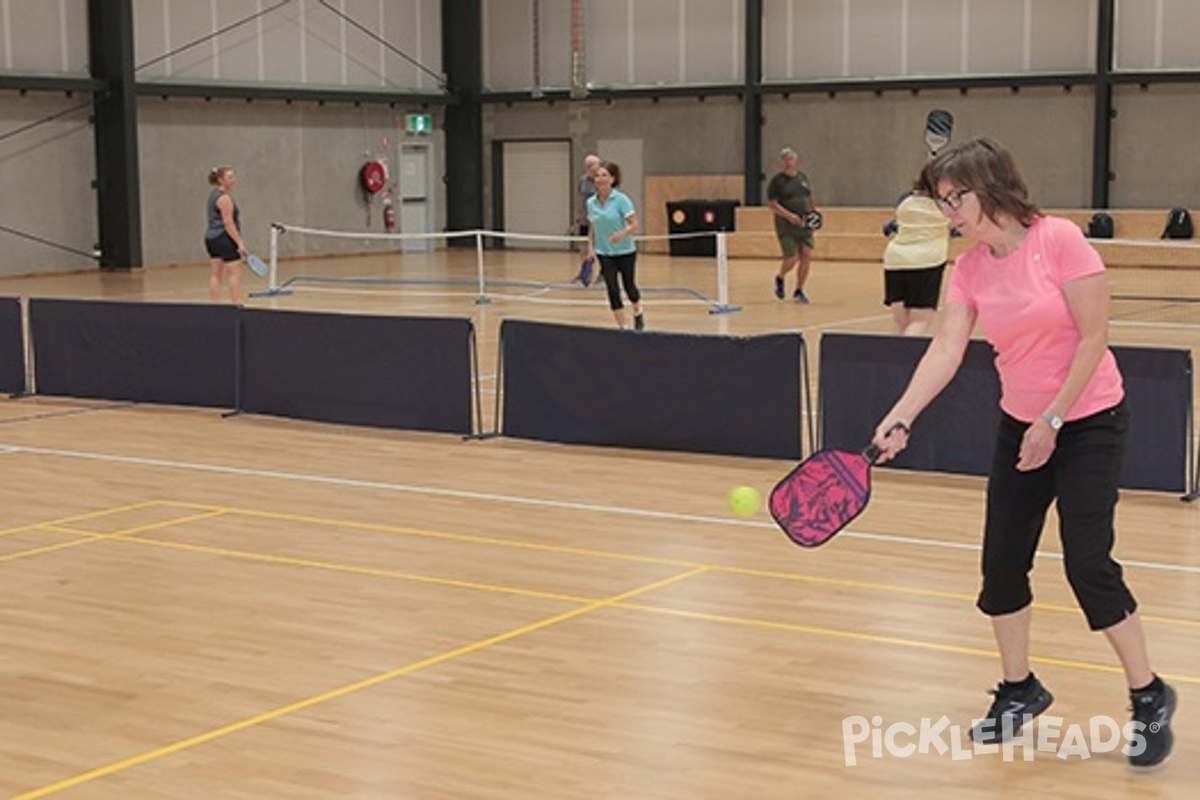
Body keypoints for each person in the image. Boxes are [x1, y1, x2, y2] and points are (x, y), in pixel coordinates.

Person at [871, 137, 1175, 768]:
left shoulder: (1059, 240)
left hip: (1088, 419)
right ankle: (1019, 689)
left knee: (1088, 563)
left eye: (955, 198)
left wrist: (1055, 417)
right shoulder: (971, 267)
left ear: (991, 187)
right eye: (942, 201)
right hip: (1020, 426)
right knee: (1001, 566)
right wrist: (901, 416)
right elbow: (948, 350)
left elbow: (1095, 336)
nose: (949, 212)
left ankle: (1149, 695)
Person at [881, 162, 952, 335]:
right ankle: (907, 361)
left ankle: (895, 361)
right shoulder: (946, 207)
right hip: (925, 262)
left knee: (900, 322)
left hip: (895, 261)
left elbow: (891, 226)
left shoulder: (906, 201)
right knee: (919, 320)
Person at [585, 161, 644, 330]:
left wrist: (622, 233)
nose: (600, 179)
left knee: (629, 287)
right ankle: (622, 327)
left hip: (625, 251)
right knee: (612, 289)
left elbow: (634, 224)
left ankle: (638, 311)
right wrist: (590, 247)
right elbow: (592, 227)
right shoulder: (591, 203)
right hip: (604, 252)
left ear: (612, 179)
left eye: (604, 175)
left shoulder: (621, 200)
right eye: (597, 175)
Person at [766, 147, 817, 303]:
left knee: (806, 255)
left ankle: (799, 290)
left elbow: (809, 197)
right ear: (781, 162)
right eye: (785, 159)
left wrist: (813, 215)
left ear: (795, 160)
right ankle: (780, 277)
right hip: (786, 226)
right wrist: (788, 216)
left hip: (804, 224)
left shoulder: (802, 178)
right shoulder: (777, 182)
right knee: (792, 257)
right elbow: (772, 204)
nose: (788, 162)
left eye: (791, 159)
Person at [204, 166, 249, 304]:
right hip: (224, 238)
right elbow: (229, 223)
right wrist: (240, 243)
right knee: (235, 273)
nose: (233, 180)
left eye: (233, 176)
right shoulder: (224, 199)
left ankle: (214, 306)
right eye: (229, 177)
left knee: (216, 274)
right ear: (220, 180)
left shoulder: (212, 195)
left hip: (211, 239)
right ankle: (237, 306)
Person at [576, 153, 601, 243]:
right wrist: (579, 215)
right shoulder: (582, 180)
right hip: (585, 219)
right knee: (584, 244)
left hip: (598, 219)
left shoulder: (602, 180)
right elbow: (580, 197)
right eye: (596, 164)